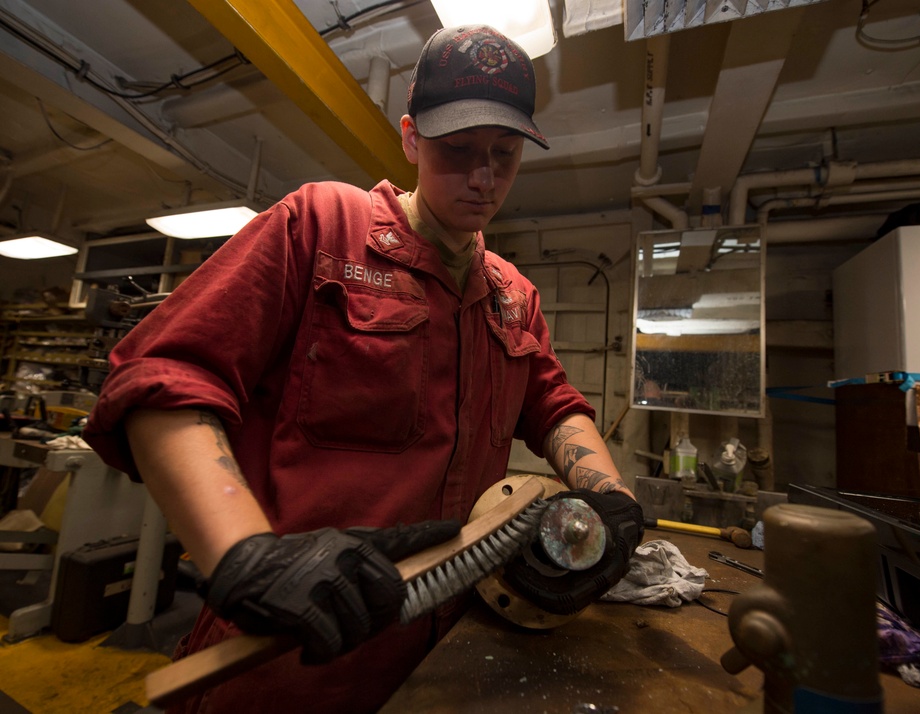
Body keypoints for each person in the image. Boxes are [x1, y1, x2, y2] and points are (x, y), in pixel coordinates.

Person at [83, 24, 642, 713]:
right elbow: (164, 374)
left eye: (503, 154)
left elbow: (553, 404)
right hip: (291, 658)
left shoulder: (512, 295)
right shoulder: (319, 227)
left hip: (443, 660)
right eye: (457, 150)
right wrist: (243, 557)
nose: (482, 177)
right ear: (410, 138)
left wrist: (614, 502)